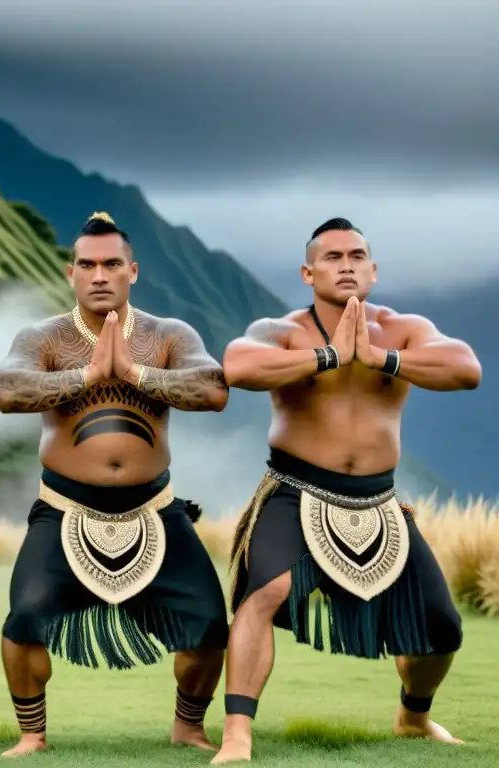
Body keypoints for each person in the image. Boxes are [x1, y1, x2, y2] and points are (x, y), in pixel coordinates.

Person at [210, 218, 480, 765]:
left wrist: (379, 359)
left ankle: (413, 716)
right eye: (333, 257)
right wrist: (329, 357)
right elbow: (237, 366)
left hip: (379, 500)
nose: (347, 264)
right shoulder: (283, 328)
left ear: (373, 270)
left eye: (357, 255)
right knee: (263, 594)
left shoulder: (403, 329)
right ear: (310, 272)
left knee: (441, 627)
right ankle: (237, 733)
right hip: (294, 489)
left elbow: (465, 368)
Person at [0, 211, 232, 758]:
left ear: (133, 271)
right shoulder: (44, 337)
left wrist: (137, 374)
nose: (99, 275)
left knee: (208, 623)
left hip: (155, 508)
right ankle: (31, 733)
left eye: (112, 264)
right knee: (25, 615)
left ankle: (189, 727)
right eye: (87, 264)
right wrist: (88, 376)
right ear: (69, 272)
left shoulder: (168, 335)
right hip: (63, 508)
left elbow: (214, 387)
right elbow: (8, 389)